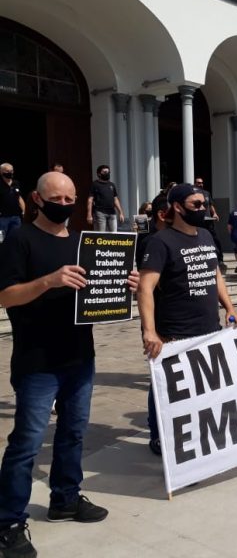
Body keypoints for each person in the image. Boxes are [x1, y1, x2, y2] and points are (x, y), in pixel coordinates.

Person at [0, 172, 139, 557]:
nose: (64, 204)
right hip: (37, 361)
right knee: (26, 444)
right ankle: (8, 520)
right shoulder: (19, 239)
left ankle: (65, 498)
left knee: (73, 434)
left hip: (80, 356)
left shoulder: (83, 243)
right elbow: (6, 297)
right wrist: (49, 281)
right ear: (37, 198)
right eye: (56, 198)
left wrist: (123, 282)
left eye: (71, 198)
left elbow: (97, 293)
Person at [137, 183, 237, 454]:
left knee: (204, 390)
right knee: (165, 388)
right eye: (196, 205)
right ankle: (158, 434)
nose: (202, 209)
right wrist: (150, 331)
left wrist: (229, 306)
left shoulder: (205, 235)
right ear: (177, 207)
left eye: (204, 204)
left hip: (208, 329)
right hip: (175, 333)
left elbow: (214, 274)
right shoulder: (160, 242)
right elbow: (145, 287)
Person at [193, 177, 225, 269]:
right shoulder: (192, 194)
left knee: (215, 239)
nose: (200, 184)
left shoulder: (206, 193)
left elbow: (210, 205)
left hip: (208, 220)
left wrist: (214, 213)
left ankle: (220, 259)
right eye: (198, 183)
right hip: (199, 221)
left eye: (201, 183)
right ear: (195, 183)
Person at [86, 164, 124, 232]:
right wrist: (89, 215)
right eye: (105, 172)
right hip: (100, 212)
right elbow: (90, 199)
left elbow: (115, 199)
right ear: (99, 174)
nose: (107, 173)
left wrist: (121, 212)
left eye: (108, 172)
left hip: (112, 213)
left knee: (114, 234)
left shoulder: (112, 185)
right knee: (101, 234)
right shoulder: (95, 184)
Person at [0, 163, 25, 240]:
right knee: (1, 239)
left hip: (16, 217)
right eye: (7, 171)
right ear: (1, 172)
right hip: (3, 218)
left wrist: (24, 211)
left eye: (11, 170)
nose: (10, 173)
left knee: (15, 238)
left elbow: (19, 198)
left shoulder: (16, 183)